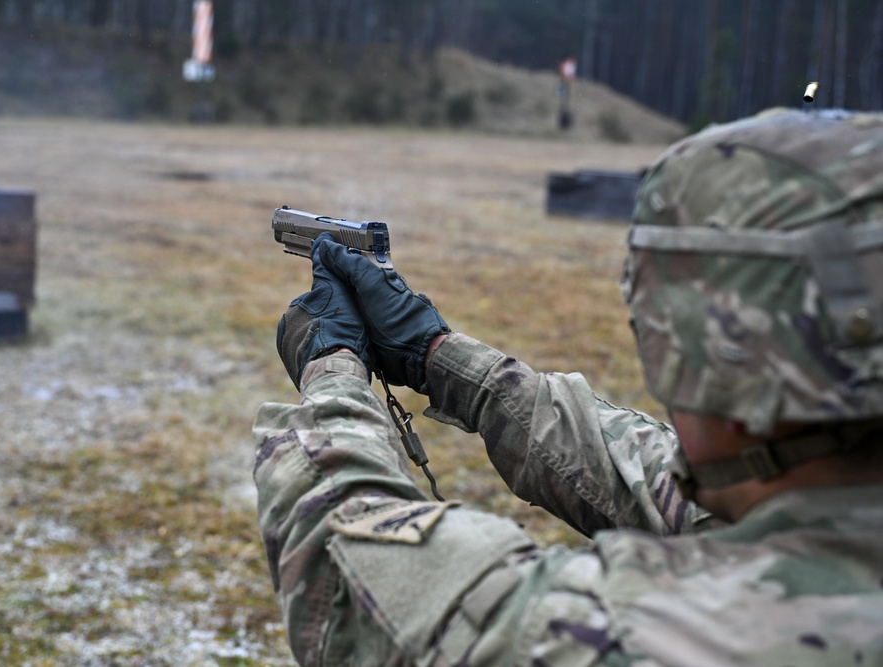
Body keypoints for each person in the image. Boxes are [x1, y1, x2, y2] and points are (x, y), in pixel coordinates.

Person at [252, 109, 883, 665]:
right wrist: (437, 356)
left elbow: (354, 576)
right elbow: (650, 479)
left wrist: (331, 368)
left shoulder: (666, 636)